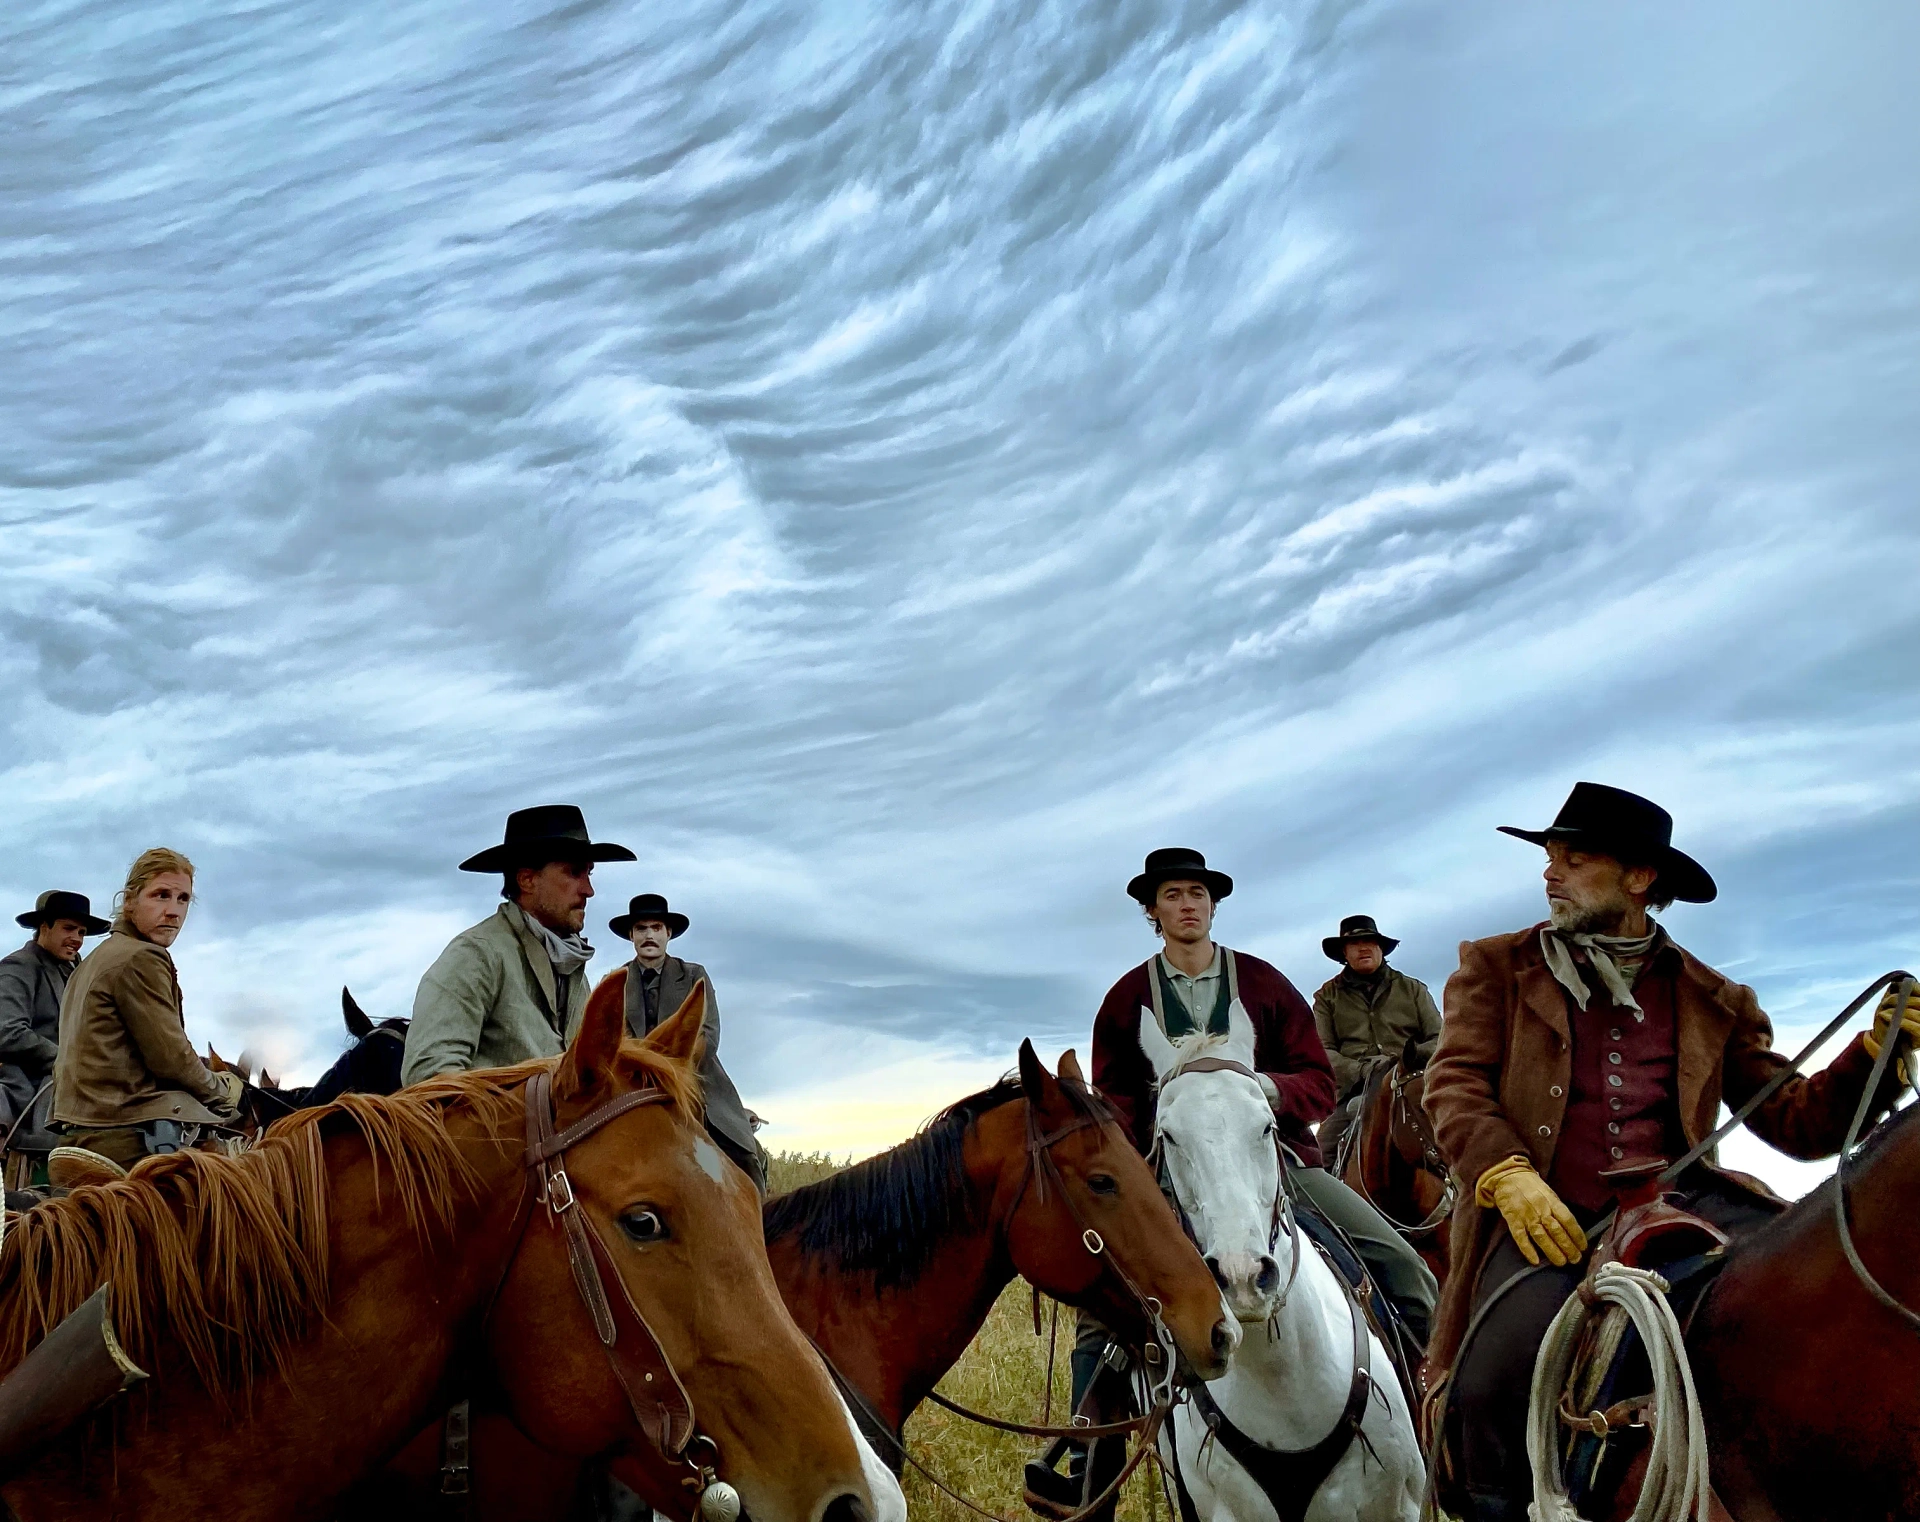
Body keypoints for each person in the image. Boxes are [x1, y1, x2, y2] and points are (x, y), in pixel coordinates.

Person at [1423, 782, 1916, 1522]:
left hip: (1685, 1207)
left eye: (1574, 857)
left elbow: (1799, 1123)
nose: (1550, 873)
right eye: (1551, 856)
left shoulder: (1713, 997)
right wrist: (1505, 1172)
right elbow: (1455, 1083)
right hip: (1547, 1220)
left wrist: (1873, 1056)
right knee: (1488, 1384)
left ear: (1640, 877)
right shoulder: (1496, 966)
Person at [403, 805, 634, 1086]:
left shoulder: (575, 974)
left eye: (589, 873)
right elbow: (429, 1078)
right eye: (574, 872)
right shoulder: (476, 955)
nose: (588, 890)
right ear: (527, 880)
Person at [50, 849, 245, 1166]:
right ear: (129, 901)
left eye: (183, 899)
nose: (173, 912)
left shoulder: (91, 962)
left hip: (80, 1128)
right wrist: (226, 1094)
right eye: (161, 895)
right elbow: (171, 1059)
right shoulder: (142, 956)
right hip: (126, 1134)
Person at [606, 893, 766, 1191]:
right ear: (631, 935)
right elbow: (612, 1041)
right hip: (634, 1087)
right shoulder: (615, 982)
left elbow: (708, 1034)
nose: (649, 935)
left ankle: (759, 1223)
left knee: (746, 1157)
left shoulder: (693, 975)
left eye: (656, 927)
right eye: (641, 928)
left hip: (697, 1084)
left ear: (668, 933)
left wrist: (672, 1069)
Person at [1311, 913, 1442, 1162]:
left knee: (1458, 1136)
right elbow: (1323, 1052)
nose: (1363, 948)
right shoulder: (1326, 997)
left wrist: (1408, 1058)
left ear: (1381, 948)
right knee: (1317, 1155)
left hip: (1413, 1082)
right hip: (1354, 1092)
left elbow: (1441, 1038)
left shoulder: (1413, 989)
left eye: (1370, 942)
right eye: (1354, 944)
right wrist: (1361, 1070)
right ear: (1344, 954)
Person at [0, 891, 110, 1126]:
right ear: (44, 927)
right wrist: (69, 1062)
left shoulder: (78, 973)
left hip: (77, 1089)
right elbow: (8, 1032)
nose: (77, 939)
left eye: (81, 932)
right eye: (68, 928)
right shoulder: (20, 966)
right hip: (33, 1097)